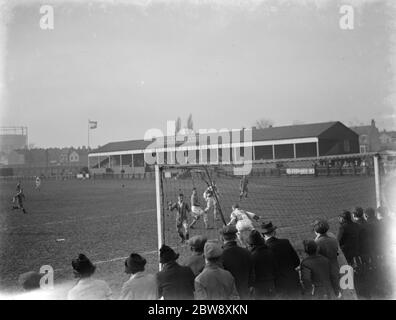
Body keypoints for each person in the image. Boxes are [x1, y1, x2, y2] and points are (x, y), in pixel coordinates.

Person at [261, 222, 301, 298]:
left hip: (278, 284)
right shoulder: (285, 242)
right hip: (292, 280)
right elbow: (297, 261)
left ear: (263, 235)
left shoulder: (264, 249)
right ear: (274, 232)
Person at [220, 225, 254, 299]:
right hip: (245, 291)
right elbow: (252, 273)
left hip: (229, 294)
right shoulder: (246, 252)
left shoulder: (221, 255)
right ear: (235, 237)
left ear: (222, 238)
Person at [312, 219, 340, 297]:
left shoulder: (316, 243)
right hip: (334, 268)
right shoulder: (333, 240)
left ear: (316, 230)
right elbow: (336, 253)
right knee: (336, 292)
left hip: (323, 272)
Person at [246, 230, 277, 299]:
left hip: (258, 287)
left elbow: (250, 273)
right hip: (271, 283)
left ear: (252, 244)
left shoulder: (252, 255)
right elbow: (275, 267)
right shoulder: (269, 251)